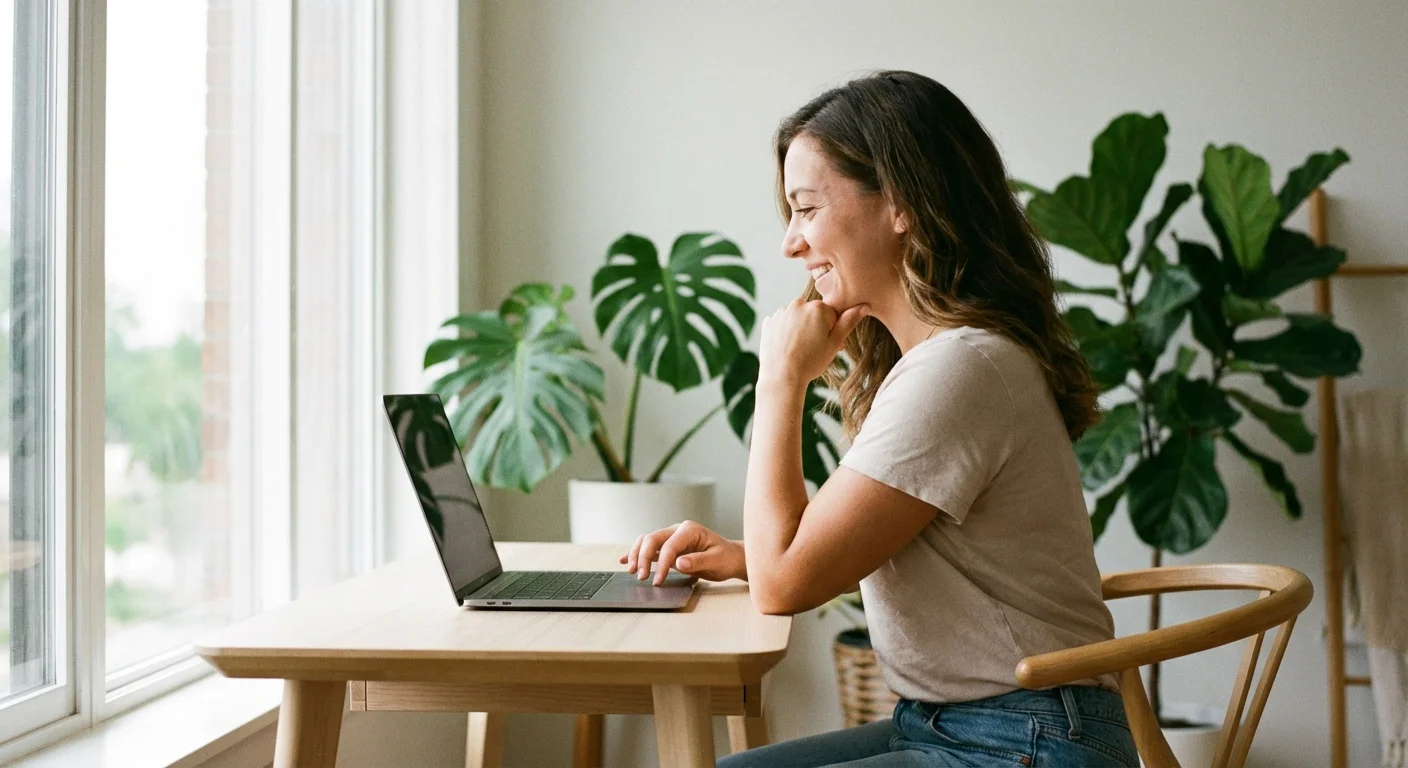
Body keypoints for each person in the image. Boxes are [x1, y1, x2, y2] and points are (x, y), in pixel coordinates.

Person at [619, 70, 1140, 767]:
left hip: (1025, 739)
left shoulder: (960, 369)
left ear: (899, 203)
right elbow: (812, 563)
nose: (791, 244)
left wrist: (780, 379)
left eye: (806, 209)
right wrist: (750, 559)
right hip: (969, 726)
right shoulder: (945, 362)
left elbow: (784, 590)